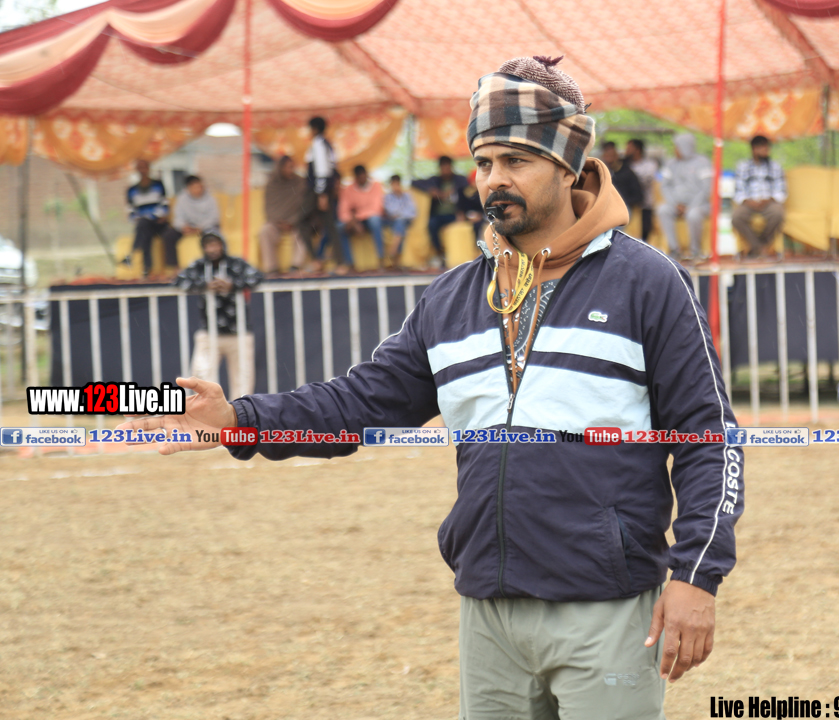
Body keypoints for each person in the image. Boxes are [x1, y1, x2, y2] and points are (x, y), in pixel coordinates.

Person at [121, 54, 744, 720]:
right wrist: (239, 419)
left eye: (516, 160)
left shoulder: (648, 283)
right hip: (488, 616)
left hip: (609, 611)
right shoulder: (450, 301)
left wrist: (696, 575)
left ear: (567, 163)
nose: (494, 179)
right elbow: (358, 404)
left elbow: (710, 438)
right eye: (483, 162)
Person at [172, 232, 263, 398]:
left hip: (239, 332)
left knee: (243, 381)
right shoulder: (199, 266)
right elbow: (178, 281)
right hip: (209, 331)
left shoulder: (235, 263)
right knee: (201, 377)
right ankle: (206, 411)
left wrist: (233, 285)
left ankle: (239, 412)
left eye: (215, 244)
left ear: (222, 245)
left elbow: (257, 277)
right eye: (208, 245)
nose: (212, 249)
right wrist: (204, 285)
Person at [299, 116, 348, 273]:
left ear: (314, 129)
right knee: (330, 225)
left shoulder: (318, 144)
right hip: (324, 190)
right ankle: (339, 263)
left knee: (301, 222)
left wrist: (321, 194)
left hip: (318, 191)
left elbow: (322, 171)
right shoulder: (328, 145)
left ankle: (316, 260)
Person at [657, 133, 713, 261]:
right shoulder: (670, 164)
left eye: (677, 147)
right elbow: (665, 186)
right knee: (662, 210)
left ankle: (695, 251)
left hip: (699, 204)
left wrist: (690, 206)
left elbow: (706, 189)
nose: (675, 150)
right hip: (676, 204)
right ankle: (674, 249)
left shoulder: (703, 162)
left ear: (685, 146)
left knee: (693, 214)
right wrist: (674, 203)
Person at [731, 135, 787, 258]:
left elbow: (781, 190)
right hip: (748, 203)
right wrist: (748, 201)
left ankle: (758, 247)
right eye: (763, 148)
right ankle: (760, 247)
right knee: (736, 217)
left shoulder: (775, 167)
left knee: (778, 214)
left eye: (767, 148)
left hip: (769, 202)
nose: (767, 151)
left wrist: (769, 199)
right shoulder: (743, 167)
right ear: (754, 149)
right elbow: (738, 190)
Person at [123, 159, 178, 277]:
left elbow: (164, 205)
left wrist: (152, 217)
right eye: (140, 167)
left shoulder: (158, 184)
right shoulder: (131, 190)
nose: (142, 170)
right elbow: (131, 212)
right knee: (144, 228)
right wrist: (142, 219)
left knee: (144, 226)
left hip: (158, 223)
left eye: (144, 167)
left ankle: (133, 255)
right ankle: (148, 270)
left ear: (148, 169)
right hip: (144, 224)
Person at [413, 156, 469, 267]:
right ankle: (439, 253)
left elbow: (467, 185)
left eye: (448, 167)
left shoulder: (459, 180)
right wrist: (431, 190)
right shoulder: (435, 181)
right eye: (443, 168)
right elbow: (414, 182)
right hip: (438, 215)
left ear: (451, 167)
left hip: (455, 214)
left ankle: (454, 256)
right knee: (431, 224)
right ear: (439, 168)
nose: (445, 170)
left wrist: (454, 191)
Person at [259, 155, 307, 274]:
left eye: (292, 167)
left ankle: (296, 266)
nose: (291, 170)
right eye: (288, 167)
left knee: (304, 231)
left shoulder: (300, 183)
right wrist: (278, 222)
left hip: (296, 223)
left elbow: (304, 207)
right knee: (265, 231)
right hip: (276, 223)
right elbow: (269, 207)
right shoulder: (271, 185)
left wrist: (292, 221)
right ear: (280, 168)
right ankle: (271, 268)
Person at [337, 165, 385, 265]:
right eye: (359, 177)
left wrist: (356, 218)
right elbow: (343, 211)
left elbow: (376, 209)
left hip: (368, 219)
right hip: (355, 221)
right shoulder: (349, 189)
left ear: (367, 175)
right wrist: (353, 222)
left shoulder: (376, 186)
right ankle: (349, 262)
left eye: (364, 176)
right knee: (339, 227)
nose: (362, 179)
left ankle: (381, 257)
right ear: (355, 178)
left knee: (375, 220)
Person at [626, 138, 659, 242]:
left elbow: (647, 181)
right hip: (628, 203)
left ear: (637, 150)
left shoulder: (650, 164)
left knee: (645, 230)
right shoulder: (624, 165)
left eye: (629, 148)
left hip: (646, 203)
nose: (626, 151)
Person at [171, 174, 221, 243]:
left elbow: (214, 218)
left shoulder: (211, 198)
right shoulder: (182, 199)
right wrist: (183, 226)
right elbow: (178, 217)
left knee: (212, 235)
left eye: (200, 187)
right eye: (195, 187)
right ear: (188, 188)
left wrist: (200, 228)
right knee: (169, 235)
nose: (198, 190)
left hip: (206, 227)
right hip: (188, 227)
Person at [601, 140, 643, 217]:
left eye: (611, 156)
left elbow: (638, 196)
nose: (608, 160)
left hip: (624, 207)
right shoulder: (601, 173)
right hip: (605, 207)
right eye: (606, 156)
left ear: (616, 156)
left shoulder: (627, 173)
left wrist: (622, 201)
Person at [382, 174, 416, 266]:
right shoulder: (388, 197)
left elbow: (412, 212)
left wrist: (399, 214)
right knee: (400, 227)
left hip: (405, 220)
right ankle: (397, 256)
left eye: (397, 184)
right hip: (392, 221)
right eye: (393, 184)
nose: (395, 186)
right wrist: (401, 213)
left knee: (400, 222)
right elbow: (390, 211)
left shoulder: (407, 196)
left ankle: (393, 251)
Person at [456, 169, 486, 240]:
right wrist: (464, 216)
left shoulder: (484, 193)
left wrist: (480, 216)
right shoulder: (463, 191)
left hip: (481, 218)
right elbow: (460, 207)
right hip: (467, 217)